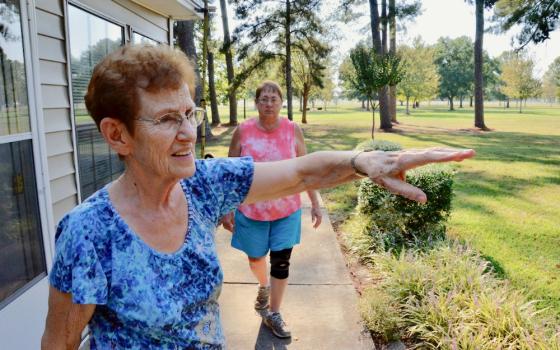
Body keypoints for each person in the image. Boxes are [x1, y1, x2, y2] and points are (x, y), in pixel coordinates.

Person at [41, 44, 475, 349]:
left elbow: (301, 171)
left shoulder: (202, 186)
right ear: (118, 134)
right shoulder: (88, 233)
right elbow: (59, 344)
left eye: (191, 113)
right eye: (168, 119)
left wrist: (363, 162)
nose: (189, 133)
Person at [220, 81, 322, 339]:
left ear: (281, 102)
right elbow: (230, 173)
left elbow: (306, 169)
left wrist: (315, 203)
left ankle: (273, 313)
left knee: (281, 261)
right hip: (251, 211)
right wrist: (226, 208)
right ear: (256, 103)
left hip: (286, 210)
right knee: (255, 259)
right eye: (263, 99)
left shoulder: (292, 130)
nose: (268, 103)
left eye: (273, 99)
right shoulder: (243, 131)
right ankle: (263, 286)